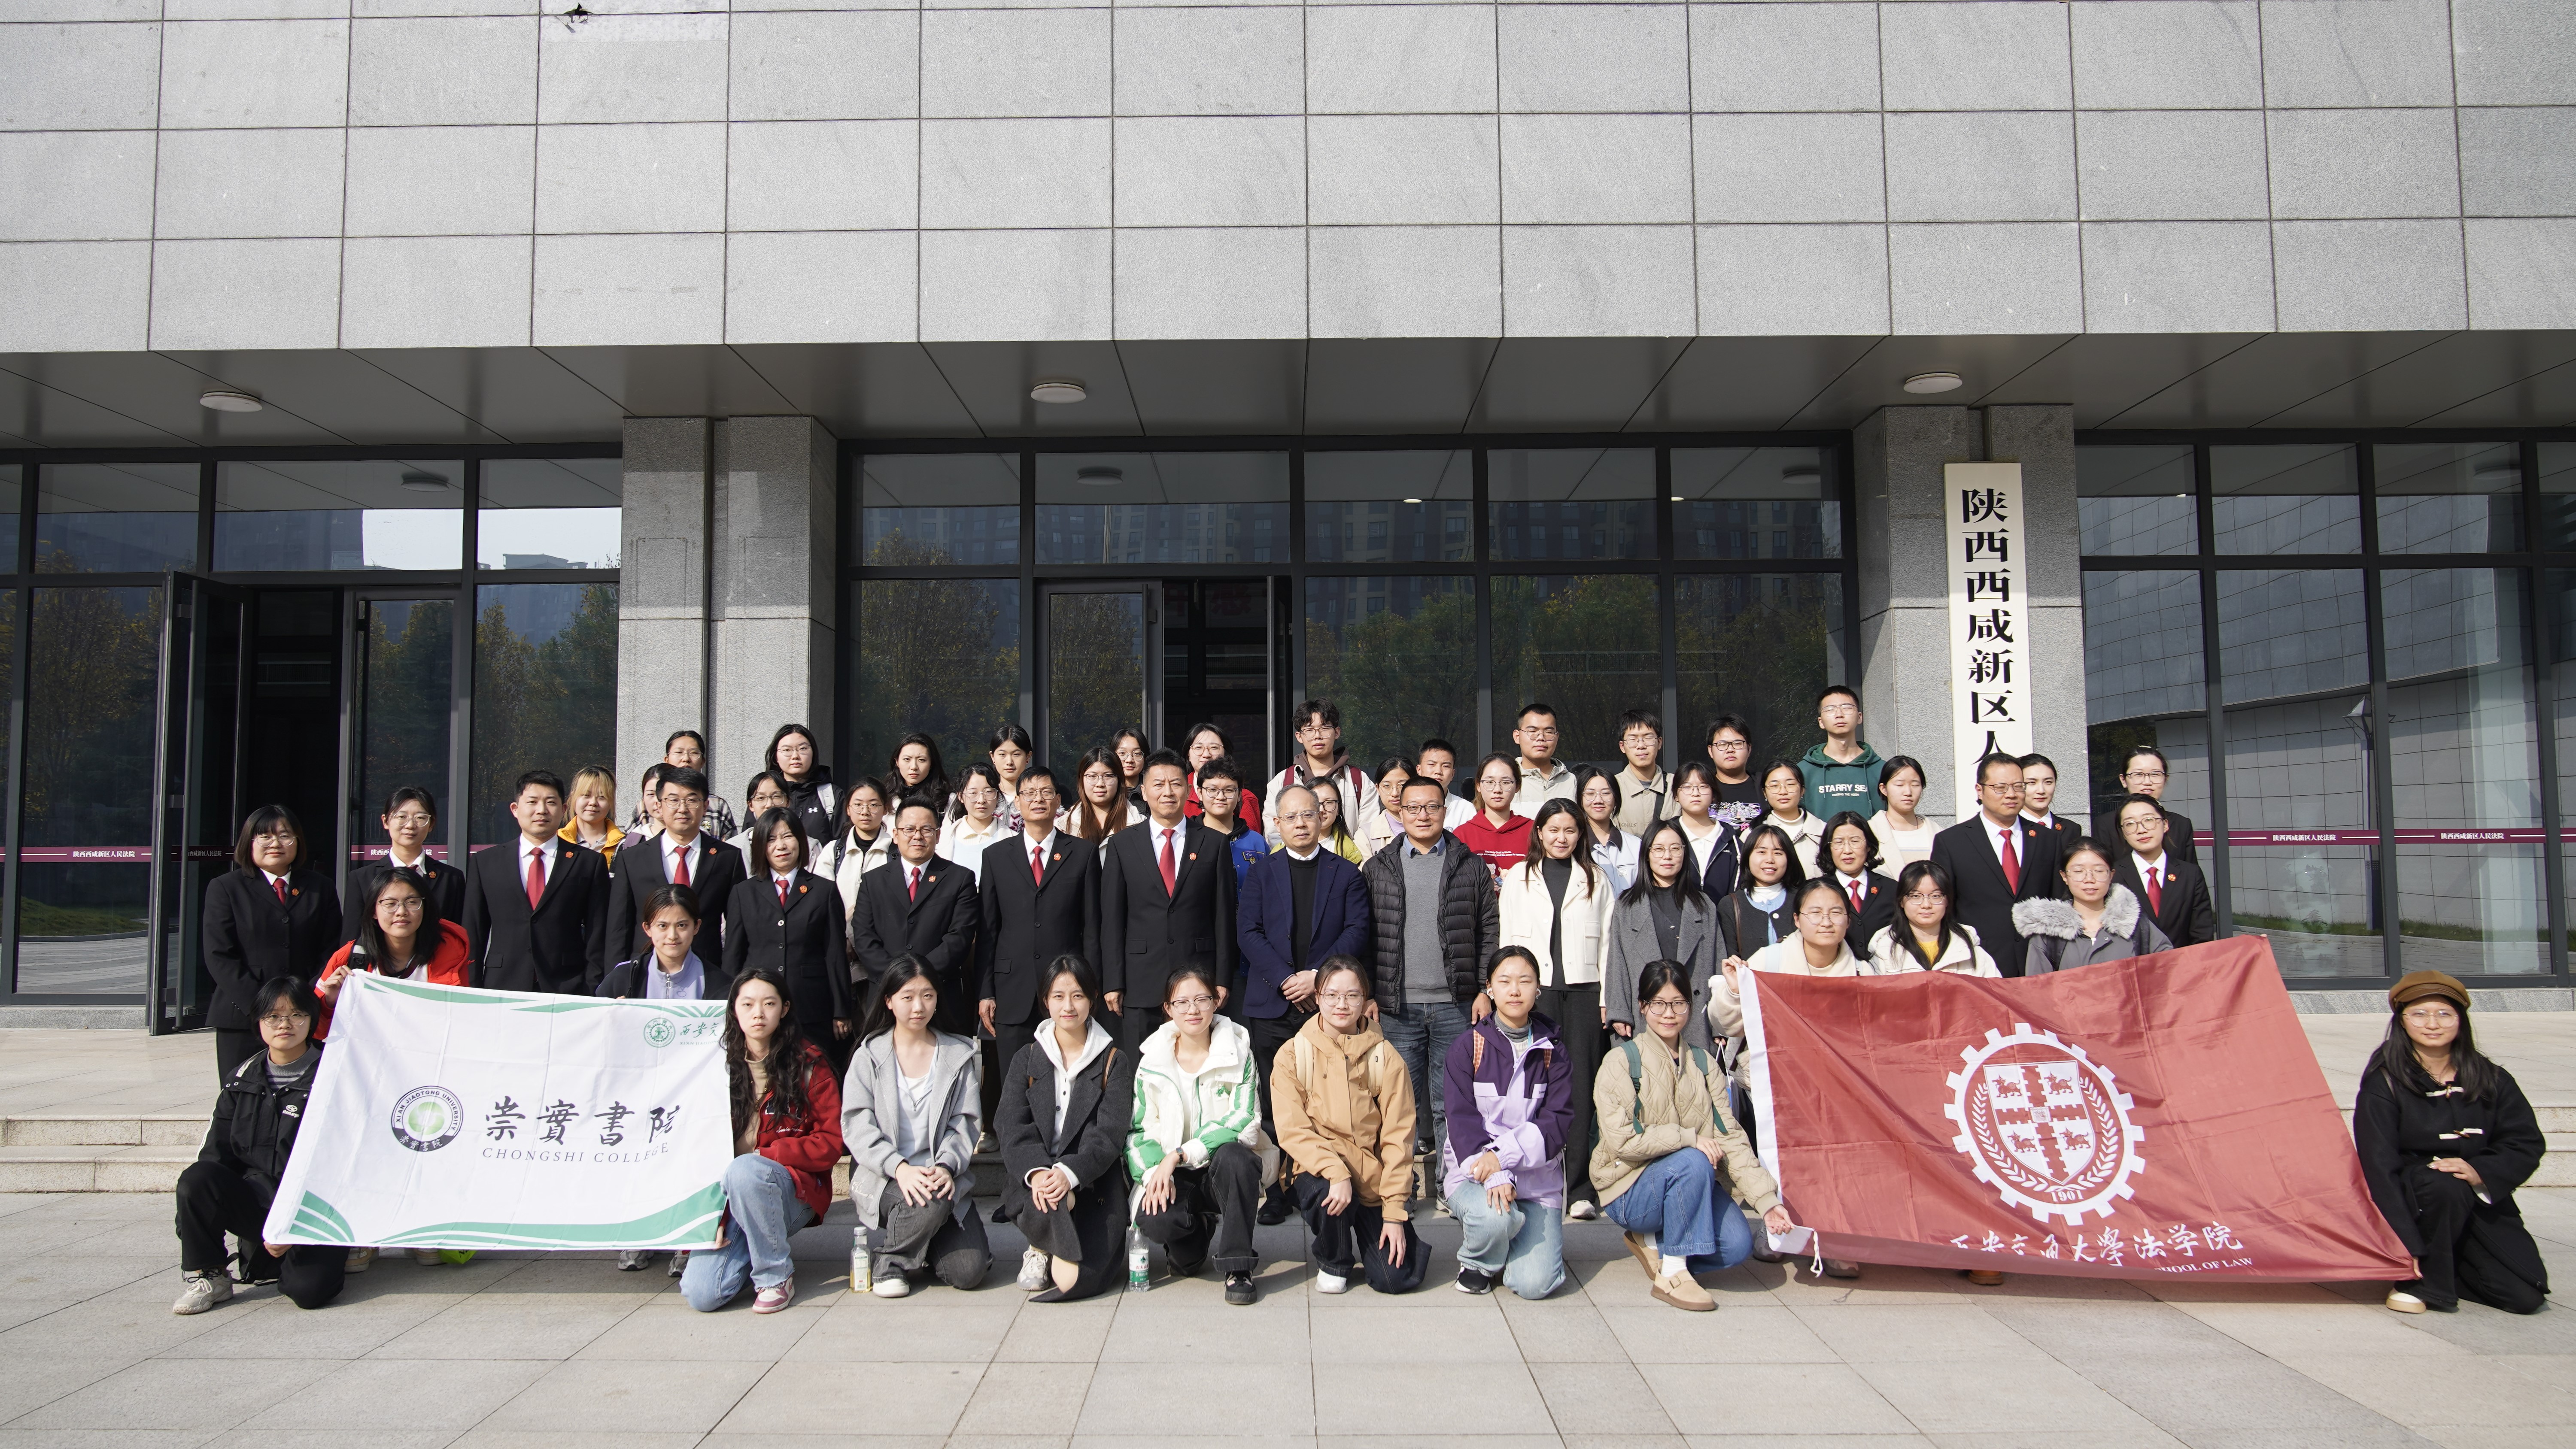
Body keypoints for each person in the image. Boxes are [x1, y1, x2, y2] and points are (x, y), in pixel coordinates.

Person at [1594, 961, 1794, 1312]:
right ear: (1642, 1006)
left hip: (1691, 1181)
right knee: (1692, 1158)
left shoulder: (1704, 1063)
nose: (1669, 1014)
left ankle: (1656, 1243)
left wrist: (1767, 1202)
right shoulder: (1620, 1061)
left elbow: (1730, 1137)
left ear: (1690, 1005)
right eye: (1658, 1003)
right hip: (1630, 1189)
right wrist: (1687, 1138)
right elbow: (1622, 1141)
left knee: (1736, 1245)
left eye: (1678, 1003)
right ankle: (1673, 1273)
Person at [2356, 970, 2550, 1316]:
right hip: (2416, 1197)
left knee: (2524, 1297)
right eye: (2419, 1014)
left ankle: (2448, 1267)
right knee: (2444, 1184)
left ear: (2460, 1020)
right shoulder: (2384, 1082)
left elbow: (2525, 1142)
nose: (2432, 1024)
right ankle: (2419, 1282)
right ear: (2402, 1021)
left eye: (2444, 1014)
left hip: (2474, 1195)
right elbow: (2378, 1165)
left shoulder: (2492, 1078)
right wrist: (2406, 1245)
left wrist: (2480, 1171)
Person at [1708, 877, 1863, 1279]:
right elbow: (1726, 1022)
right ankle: (1778, 1229)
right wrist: (1734, 991)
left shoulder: (1862, 971)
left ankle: (1835, 1238)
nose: (1826, 922)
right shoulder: (1771, 960)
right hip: (1779, 1079)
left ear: (1848, 921)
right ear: (1797, 919)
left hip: (1839, 1086)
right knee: (1783, 1157)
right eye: (1816, 912)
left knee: (1837, 1159)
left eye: (1836, 913)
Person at [1236, 782, 1369, 1223]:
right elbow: (1248, 932)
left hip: (1326, 1006)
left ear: (1322, 817)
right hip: (1272, 1004)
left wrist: (1318, 978)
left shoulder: (1346, 873)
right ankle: (1277, 1189)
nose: (1300, 823)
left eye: (1308, 814)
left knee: (1327, 1097)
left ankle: (1324, 1178)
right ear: (1277, 823)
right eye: (1290, 817)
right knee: (1274, 1100)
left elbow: (1356, 930)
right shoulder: (1261, 873)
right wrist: (1286, 979)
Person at [172, 976, 345, 1315]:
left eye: (296, 1015)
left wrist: (293, 1225)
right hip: (260, 1202)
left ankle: (325, 1253)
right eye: (273, 1016)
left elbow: (345, 1162)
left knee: (309, 1293)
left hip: (313, 1209)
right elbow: (216, 1158)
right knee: (198, 1179)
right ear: (258, 1022)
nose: (285, 1025)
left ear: (312, 1019)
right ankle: (211, 1276)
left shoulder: (336, 1075)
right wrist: (195, 1223)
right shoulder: (241, 1079)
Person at [682, 969, 844, 1313]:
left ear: (784, 1009)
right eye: (748, 1004)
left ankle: (775, 1276)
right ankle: (754, 1249)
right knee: (703, 1294)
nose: (758, 1013)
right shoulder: (713, 1065)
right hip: (728, 1197)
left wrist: (766, 1154)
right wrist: (708, 1221)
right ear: (734, 1009)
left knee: (746, 1170)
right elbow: (692, 1146)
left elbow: (831, 1143)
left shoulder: (809, 1064)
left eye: (769, 1004)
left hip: (791, 1190)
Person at [1364, 777, 1499, 1162]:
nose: (1422, 815)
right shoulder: (1378, 868)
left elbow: (1489, 930)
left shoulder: (1470, 866)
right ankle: (1399, 1186)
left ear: (1445, 810)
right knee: (1397, 1105)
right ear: (1399, 811)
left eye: (1432, 807)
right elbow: (1366, 937)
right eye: (1413, 807)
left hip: (1456, 1006)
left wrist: (1484, 990)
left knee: (1452, 1102)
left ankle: (1451, 1183)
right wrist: (1370, 993)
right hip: (1397, 1009)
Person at [1272, 956, 1425, 1294]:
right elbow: (1292, 1130)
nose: (1342, 1005)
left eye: (1352, 996)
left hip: (1371, 1178)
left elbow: (1399, 1139)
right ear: (1317, 997)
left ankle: (1374, 1235)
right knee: (1326, 1192)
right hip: (1316, 1170)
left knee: (1394, 1278)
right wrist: (1336, 1172)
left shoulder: (1385, 1057)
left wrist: (1395, 1212)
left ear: (1365, 999)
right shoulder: (1293, 1054)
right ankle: (1335, 1260)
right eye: (1332, 995)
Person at [843, 954, 990, 1296]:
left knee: (969, 1271)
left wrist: (946, 1166)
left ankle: (919, 1238)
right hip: (884, 1174)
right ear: (889, 1001)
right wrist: (900, 1168)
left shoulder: (957, 1055)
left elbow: (966, 1122)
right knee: (933, 1201)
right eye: (907, 997)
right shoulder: (869, 1056)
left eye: (927, 996)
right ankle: (889, 1265)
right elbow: (856, 1122)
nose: (918, 1007)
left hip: (939, 1174)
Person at [997, 955, 1137, 1303]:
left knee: (1081, 1278)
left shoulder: (1114, 1061)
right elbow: (1012, 1125)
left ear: (1092, 998)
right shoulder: (1027, 1057)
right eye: (1058, 996)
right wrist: (1039, 1172)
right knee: (1049, 1198)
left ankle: (1048, 1242)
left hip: (1091, 1179)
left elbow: (1110, 1133)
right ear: (1046, 1001)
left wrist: (1068, 1172)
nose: (1068, 1006)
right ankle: (1039, 1248)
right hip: (1036, 1179)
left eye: (1077, 996)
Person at [1496, 800, 1612, 1218]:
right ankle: (1531, 1178)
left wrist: (1607, 999)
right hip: (1534, 994)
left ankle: (1579, 1189)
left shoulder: (1597, 878)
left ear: (1581, 834)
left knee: (1579, 1090)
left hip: (1583, 994)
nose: (1562, 838)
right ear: (1540, 832)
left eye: (1570, 830)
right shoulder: (1518, 877)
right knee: (1531, 1088)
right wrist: (1508, 993)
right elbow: (1507, 940)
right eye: (1554, 830)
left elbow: (1608, 944)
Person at [1130, 965, 1272, 1304]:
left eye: (1202, 1000)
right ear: (1168, 1009)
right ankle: (1197, 1231)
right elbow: (1138, 1131)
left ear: (1216, 1002)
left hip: (1219, 1170)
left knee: (1236, 1158)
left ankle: (1238, 1267)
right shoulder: (1152, 1061)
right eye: (1182, 1002)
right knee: (1167, 1236)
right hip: (1175, 1176)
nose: (1192, 1010)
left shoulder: (1239, 1053)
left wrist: (1180, 1154)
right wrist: (1155, 1173)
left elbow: (1244, 1121)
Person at [977, 767, 1102, 1134]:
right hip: (1011, 987)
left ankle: (1062, 1140)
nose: (1038, 800)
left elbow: (1092, 928)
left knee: (1065, 1071)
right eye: (1029, 794)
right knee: (1014, 1076)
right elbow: (988, 930)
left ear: (1058, 801)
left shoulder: (1082, 853)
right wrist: (986, 990)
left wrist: (1090, 987)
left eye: (1046, 793)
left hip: (1065, 989)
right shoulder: (996, 856)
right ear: (1017, 803)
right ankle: (1015, 1145)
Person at [1443, 947, 1573, 1298]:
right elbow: (1461, 1120)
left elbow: (1556, 1123)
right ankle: (1479, 1260)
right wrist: (1493, 1171)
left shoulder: (1554, 1051)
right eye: (1505, 982)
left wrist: (1503, 1158)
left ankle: (1513, 1237)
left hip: (1536, 1181)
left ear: (1538, 989)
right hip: (1475, 1173)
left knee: (1535, 1285)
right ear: (1490, 988)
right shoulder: (1468, 1047)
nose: (1515, 991)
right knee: (1496, 1218)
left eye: (1525, 982)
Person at [1100, 750, 1237, 1048]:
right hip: (1140, 981)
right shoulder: (1122, 845)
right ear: (1144, 791)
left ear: (1188, 790)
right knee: (1141, 1067)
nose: (1168, 792)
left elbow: (1224, 916)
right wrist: (1113, 981)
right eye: (1159, 784)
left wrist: (1223, 978)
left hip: (1198, 982)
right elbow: (1112, 920)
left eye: (1176, 784)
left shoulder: (1213, 843)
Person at [201, 805, 343, 1082]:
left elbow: (331, 949)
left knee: (304, 1095)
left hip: (305, 1015)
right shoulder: (226, 887)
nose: (276, 843)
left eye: (285, 835)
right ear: (249, 842)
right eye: (265, 836)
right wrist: (264, 1008)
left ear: (297, 842)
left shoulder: (320, 887)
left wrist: (306, 1001)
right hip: (243, 1015)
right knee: (244, 1095)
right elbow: (219, 955)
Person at [724, 808, 853, 1061]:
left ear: (801, 840)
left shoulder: (824, 891)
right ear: (761, 846)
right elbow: (733, 955)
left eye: (788, 836)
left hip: (810, 1005)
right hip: (758, 1009)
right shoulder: (744, 892)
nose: (781, 846)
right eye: (771, 839)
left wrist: (841, 1009)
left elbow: (835, 954)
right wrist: (730, 1006)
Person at [850, 799, 980, 1034]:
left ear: (938, 835)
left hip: (941, 995)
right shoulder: (873, 881)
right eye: (909, 829)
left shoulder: (960, 879)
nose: (917, 836)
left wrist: (921, 979)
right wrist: (897, 980)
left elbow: (959, 938)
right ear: (896, 835)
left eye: (926, 830)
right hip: (885, 995)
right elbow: (864, 937)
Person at [605, 767, 747, 979]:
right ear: (659, 806)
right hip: (643, 972)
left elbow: (737, 926)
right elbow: (619, 928)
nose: (682, 809)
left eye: (692, 800)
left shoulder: (728, 857)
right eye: (673, 800)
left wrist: (729, 979)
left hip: (707, 972)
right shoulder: (633, 858)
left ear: (705, 806)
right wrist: (616, 980)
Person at [1929, 755, 2063, 977]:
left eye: (2018, 786)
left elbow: (2058, 900)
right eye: (2000, 788)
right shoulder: (1952, 842)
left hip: (2039, 964)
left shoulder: (2047, 839)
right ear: (1979, 791)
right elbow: (1945, 907)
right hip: (1979, 964)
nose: (2011, 794)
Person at [1604, 818, 1722, 1050]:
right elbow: (1617, 963)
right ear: (1646, 855)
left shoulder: (1704, 905)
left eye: (1675, 848)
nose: (1667, 856)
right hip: (1644, 1012)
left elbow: (1718, 963)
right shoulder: (1627, 905)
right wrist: (1619, 1012)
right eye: (1658, 849)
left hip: (1694, 1016)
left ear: (1685, 853)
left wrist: (1720, 1022)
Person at [316, 870, 469, 1037]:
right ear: (374, 911)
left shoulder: (451, 954)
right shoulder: (348, 957)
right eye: (390, 904)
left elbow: (461, 1022)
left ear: (425, 907)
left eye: (412, 902)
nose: (401, 911)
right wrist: (330, 1002)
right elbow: (317, 1030)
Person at [2014, 838, 2171, 973]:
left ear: (2111, 875)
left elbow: (2169, 972)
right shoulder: (2048, 934)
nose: (2089, 879)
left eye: (2099, 871)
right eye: (2079, 871)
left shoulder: (2137, 926)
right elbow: (2038, 990)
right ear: (2065, 876)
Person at [339, 786, 465, 945]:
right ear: (386, 821)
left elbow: (457, 935)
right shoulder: (363, 878)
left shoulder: (451, 878)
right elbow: (352, 940)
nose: (410, 825)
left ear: (431, 824)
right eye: (401, 817)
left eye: (420, 818)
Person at [1264, 700, 1381, 847]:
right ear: (1299, 736)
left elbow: (1369, 835)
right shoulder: (1281, 782)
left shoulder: (1359, 781)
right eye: (1309, 730)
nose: (1318, 736)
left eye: (1325, 728)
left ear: (1337, 732)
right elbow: (1274, 835)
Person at [2111, 793, 2216, 948]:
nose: (2141, 830)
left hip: (2183, 961)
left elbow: (2202, 936)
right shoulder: (2113, 877)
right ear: (2123, 834)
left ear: (2165, 825)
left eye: (2148, 820)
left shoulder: (2190, 875)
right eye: (2130, 824)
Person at [1862, 861, 2000, 978]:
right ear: (1901, 901)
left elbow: (1993, 995)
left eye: (1936, 896)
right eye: (1916, 896)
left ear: (1947, 900)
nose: (1926, 905)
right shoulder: (1883, 950)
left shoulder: (1970, 949)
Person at [596, 884, 715, 1000]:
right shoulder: (623, 977)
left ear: (696, 926)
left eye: (682, 925)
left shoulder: (717, 983)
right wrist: (612, 1011)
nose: (672, 936)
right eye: (663, 926)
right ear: (648, 929)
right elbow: (595, 1012)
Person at [1713, 823, 1802, 963]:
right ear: (1747, 856)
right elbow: (1729, 958)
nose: (1770, 860)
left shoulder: (1802, 900)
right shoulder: (1730, 905)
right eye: (1762, 852)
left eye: (1778, 853)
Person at [629, 730, 740, 840]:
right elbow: (630, 842)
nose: (686, 759)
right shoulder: (646, 805)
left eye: (694, 753)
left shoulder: (718, 806)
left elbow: (730, 845)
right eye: (679, 752)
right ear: (667, 760)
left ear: (703, 761)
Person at [1795, 685, 1882, 819]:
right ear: (1821, 722)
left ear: (1860, 717)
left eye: (1847, 708)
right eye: (1830, 709)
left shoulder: (1881, 770)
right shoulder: (1803, 771)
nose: (1839, 715)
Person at [1820, 812, 1899, 950]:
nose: (1847, 850)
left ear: (1869, 846)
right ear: (1829, 848)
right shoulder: (1817, 891)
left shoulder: (1892, 889)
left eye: (1855, 841)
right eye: (1839, 842)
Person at [817, 774, 895, 907]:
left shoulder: (896, 853)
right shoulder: (833, 851)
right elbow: (821, 898)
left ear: (886, 809)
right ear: (848, 809)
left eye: (873, 805)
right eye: (858, 805)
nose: (865, 812)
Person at [1669, 759, 1742, 897]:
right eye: (1687, 787)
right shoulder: (1665, 837)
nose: (1695, 793)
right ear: (1676, 795)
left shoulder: (1732, 842)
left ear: (1713, 794)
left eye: (1703, 787)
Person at [1456, 751, 1533, 881]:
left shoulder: (1533, 831)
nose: (1497, 790)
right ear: (1478, 786)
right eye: (1490, 782)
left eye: (1506, 782)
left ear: (1517, 786)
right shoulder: (1462, 835)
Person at [2118, 744, 2199, 863]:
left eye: (2155, 774)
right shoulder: (2105, 825)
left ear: (2165, 779)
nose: (2147, 782)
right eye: (2138, 774)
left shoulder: (2182, 825)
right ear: (2124, 780)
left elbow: (2191, 871)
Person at [1180, 721, 1260, 837]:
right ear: (1188, 754)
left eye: (1214, 748)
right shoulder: (1178, 794)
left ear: (1225, 752)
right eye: (1198, 748)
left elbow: (1249, 843)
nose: (1206, 754)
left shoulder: (1245, 798)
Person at [1197, 758, 1270, 884]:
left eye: (1229, 790)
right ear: (1200, 793)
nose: (1221, 797)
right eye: (1213, 790)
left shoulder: (1257, 842)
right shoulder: (1187, 838)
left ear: (1240, 794)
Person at [1574, 764, 1643, 893]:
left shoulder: (1635, 846)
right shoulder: (1574, 846)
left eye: (1606, 793)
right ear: (1581, 799)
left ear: (1616, 798)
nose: (1598, 800)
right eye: (1590, 794)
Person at [1608, 709, 1675, 836]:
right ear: (1622, 746)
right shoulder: (1611, 787)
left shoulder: (1677, 786)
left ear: (1659, 742)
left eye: (1648, 738)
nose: (1641, 746)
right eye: (1633, 739)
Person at [937, 762, 1015, 872]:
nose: (981, 800)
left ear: (997, 795)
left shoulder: (1015, 841)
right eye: (973, 793)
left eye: (988, 792)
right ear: (961, 797)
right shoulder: (941, 840)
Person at [772, 724, 841, 845]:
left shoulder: (831, 794)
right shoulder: (764, 794)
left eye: (803, 749)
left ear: (813, 752)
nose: (795, 756)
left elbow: (842, 844)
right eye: (787, 750)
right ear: (776, 757)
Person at [1866, 755, 1936, 871]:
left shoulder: (1938, 833)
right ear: (1884, 789)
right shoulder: (1868, 833)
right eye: (1899, 785)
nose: (1908, 792)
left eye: (1915, 785)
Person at [1756, 758, 1824, 877]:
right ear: (1765, 793)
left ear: (1802, 790)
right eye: (1775, 786)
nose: (1783, 792)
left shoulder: (1824, 831)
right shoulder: (1754, 833)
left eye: (1790, 785)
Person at [1508, 702, 1575, 817]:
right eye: (1533, 732)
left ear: (1557, 737)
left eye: (1548, 732)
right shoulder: (1507, 781)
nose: (1541, 738)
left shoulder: (1571, 781)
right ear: (1517, 737)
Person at [1703, 715, 1765, 835]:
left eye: (1737, 743)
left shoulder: (1766, 785)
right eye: (1722, 744)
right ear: (1711, 751)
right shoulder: (1701, 789)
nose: (1730, 750)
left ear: (1749, 749)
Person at [1067, 746, 1136, 849]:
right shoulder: (1063, 826)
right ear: (1081, 780)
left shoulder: (1139, 824)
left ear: (1119, 780)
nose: (1100, 784)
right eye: (1092, 776)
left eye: (1108, 776)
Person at [2018, 752, 2084, 853]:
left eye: (2048, 782)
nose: (2041, 791)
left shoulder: (2071, 829)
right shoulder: (2012, 827)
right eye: (2032, 783)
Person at [560, 765, 625, 858]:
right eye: (586, 795)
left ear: (612, 801)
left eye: (602, 797)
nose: (593, 803)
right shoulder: (557, 841)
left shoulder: (624, 845)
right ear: (574, 797)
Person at [1413, 737, 1479, 831]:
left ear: (1453, 774)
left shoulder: (1465, 809)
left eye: (1446, 766)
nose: (1438, 771)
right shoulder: (1409, 806)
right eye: (1432, 765)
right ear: (1419, 770)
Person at [729, 771, 796, 858]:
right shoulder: (733, 848)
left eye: (777, 796)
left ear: (788, 801)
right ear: (751, 805)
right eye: (761, 798)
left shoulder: (809, 846)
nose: (770, 804)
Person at [887, 731, 950, 821]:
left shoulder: (947, 801)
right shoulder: (885, 799)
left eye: (921, 760)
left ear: (932, 764)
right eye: (907, 759)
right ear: (897, 762)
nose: (914, 767)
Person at [985, 723, 1033, 834]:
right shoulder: (984, 798)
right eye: (1002, 755)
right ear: (993, 757)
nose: (1009, 762)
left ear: (1028, 756)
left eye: (1016, 754)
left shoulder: (1038, 798)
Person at [1365, 756, 1414, 857]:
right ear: (1378, 789)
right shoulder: (1366, 835)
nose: (1395, 793)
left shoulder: (1431, 826)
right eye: (1387, 786)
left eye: (1402, 785)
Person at [1312, 776, 1366, 865]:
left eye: (1329, 802)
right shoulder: (1289, 845)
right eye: (1316, 803)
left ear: (1338, 809)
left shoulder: (1349, 851)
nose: (1322, 810)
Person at [1112, 727, 1150, 800]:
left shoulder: (1153, 790)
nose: (1130, 760)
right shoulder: (1105, 790)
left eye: (1137, 754)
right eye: (1122, 753)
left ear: (1145, 757)